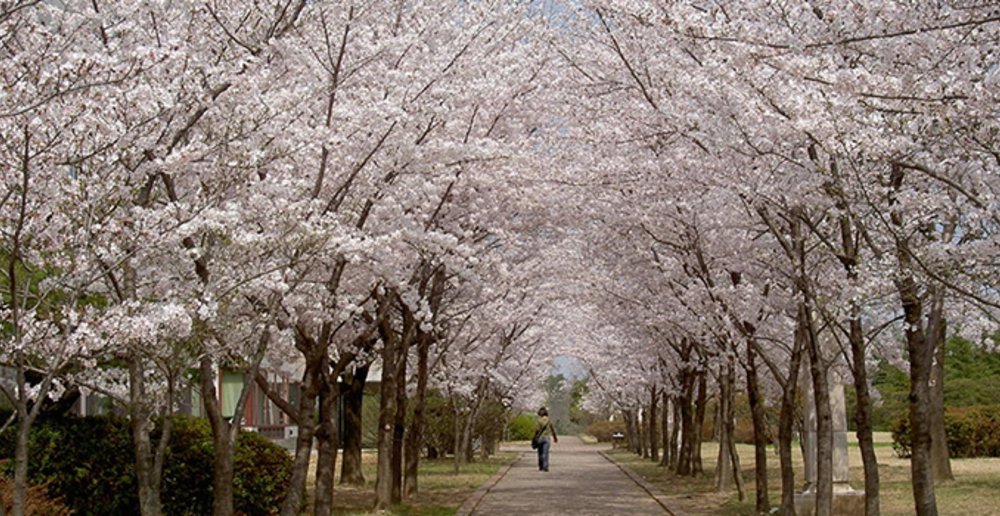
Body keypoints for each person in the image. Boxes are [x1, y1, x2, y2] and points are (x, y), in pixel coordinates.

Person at [534, 407, 558, 471]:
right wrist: (555, 438)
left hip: (540, 438)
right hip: (547, 438)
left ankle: (540, 466)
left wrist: (535, 437)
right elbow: (553, 430)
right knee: (545, 453)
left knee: (540, 453)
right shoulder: (549, 420)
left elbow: (537, 430)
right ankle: (545, 466)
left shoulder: (539, 420)